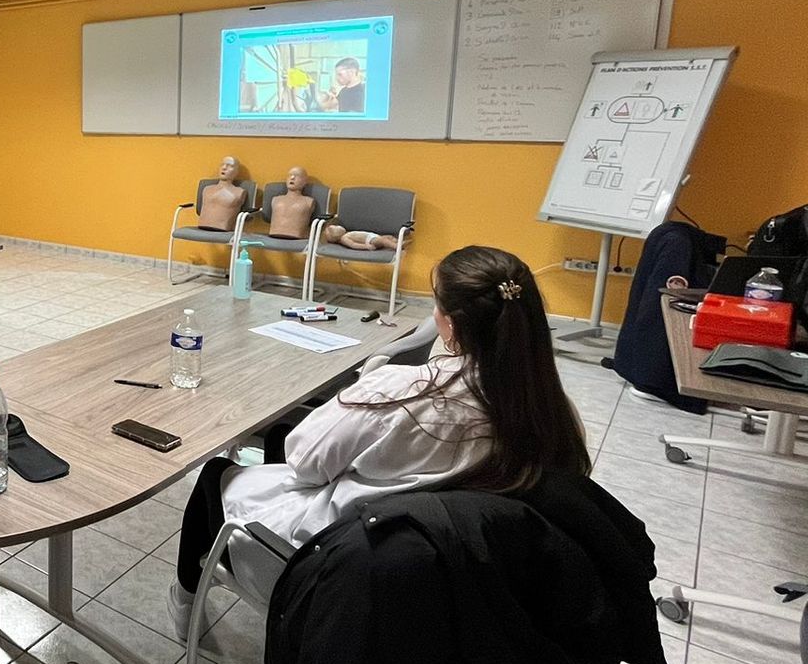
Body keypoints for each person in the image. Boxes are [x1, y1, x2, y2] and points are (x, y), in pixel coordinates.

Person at [169, 244, 591, 634]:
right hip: (447, 575)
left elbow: (304, 460)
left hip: (344, 567)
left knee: (216, 474)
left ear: (450, 324)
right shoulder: (553, 413)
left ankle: (184, 601)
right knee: (280, 433)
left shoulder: (401, 391)